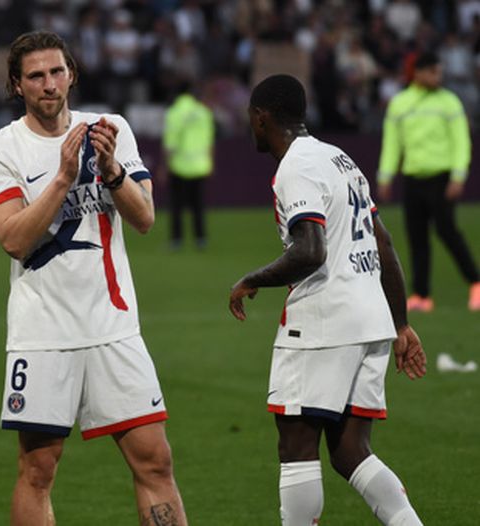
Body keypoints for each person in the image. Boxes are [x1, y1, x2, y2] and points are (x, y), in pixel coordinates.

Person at [0, 31, 187, 526]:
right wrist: (65, 176)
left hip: (114, 328)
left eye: (56, 72)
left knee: (155, 459)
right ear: (16, 85)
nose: (49, 85)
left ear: (72, 73)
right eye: (35, 76)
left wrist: (111, 169)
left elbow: (145, 218)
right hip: (43, 334)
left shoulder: (110, 129)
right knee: (38, 469)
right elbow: (13, 239)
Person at [229, 74, 426, 525]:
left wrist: (252, 278)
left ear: (262, 118)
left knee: (296, 446)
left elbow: (310, 250)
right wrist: (400, 324)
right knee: (350, 451)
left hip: (324, 321)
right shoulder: (340, 159)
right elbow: (384, 243)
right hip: (371, 320)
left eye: (250, 119)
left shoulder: (296, 166)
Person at [377, 51, 480, 312]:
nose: (438, 77)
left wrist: (459, 175)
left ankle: (476, 282)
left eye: (439, 72)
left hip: (442, 177)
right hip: (414, 178)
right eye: (433, 72)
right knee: (416, 236)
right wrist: (385, 175)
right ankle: (422, 295)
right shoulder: (400, 104)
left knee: (447, 231)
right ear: (419, 73)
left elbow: (461, 142)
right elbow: (392, 143)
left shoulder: (449, 102)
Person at [163, 82, 215, 250]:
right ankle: (200, 238)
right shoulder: (203, 112)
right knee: (198, 205)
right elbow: (209, 140)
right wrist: (210, 162)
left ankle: (176, 240)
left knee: (176, 205)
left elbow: (170, 143)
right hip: (200, 165)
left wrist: (165, 165)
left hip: (179, 165)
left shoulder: (174, 113)